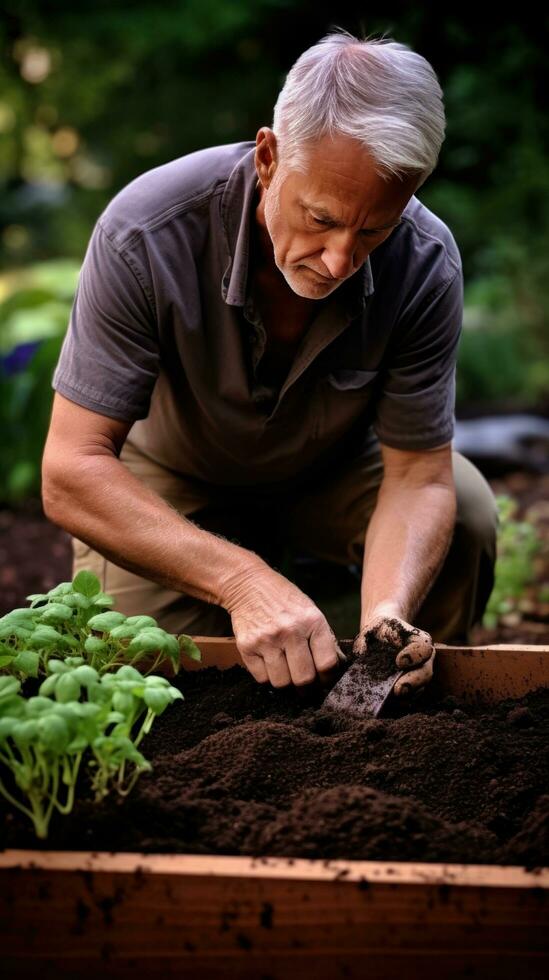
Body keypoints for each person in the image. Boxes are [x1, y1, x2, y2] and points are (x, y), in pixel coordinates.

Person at [42, 31, 497, 694]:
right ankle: (277, 605)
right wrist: (242, 580)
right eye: (320, 218)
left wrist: (387, 617)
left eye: (373, 230)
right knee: (155, 682)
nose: (340, 259)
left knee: (466, 509)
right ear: (267, 157)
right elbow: (70, 470)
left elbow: (417, 479)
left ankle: (389, 688)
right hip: (173, 477)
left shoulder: (426, 260)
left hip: (331, 473)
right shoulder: (146, 232)